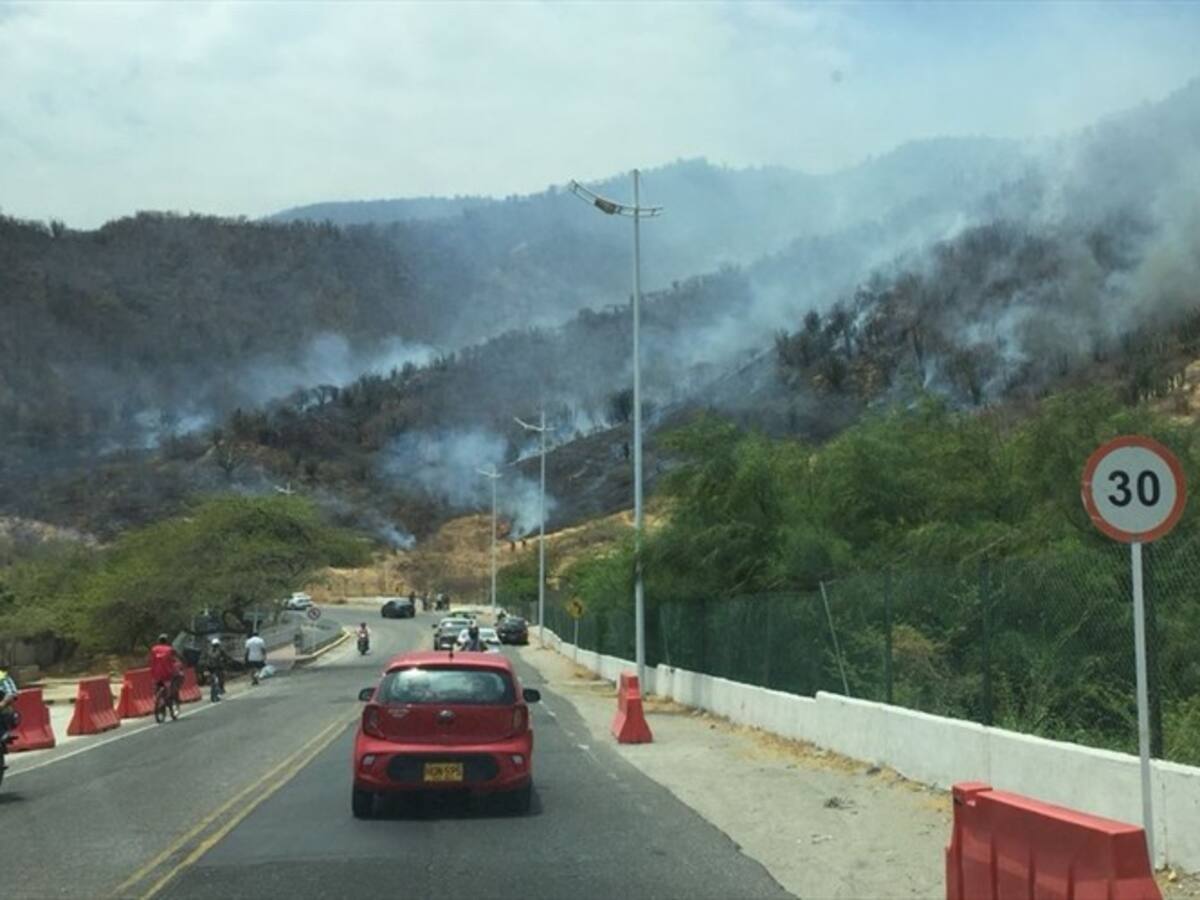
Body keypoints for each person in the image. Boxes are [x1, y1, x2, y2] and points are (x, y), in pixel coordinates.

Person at [149, 634, 183, 707]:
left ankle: (158, 699)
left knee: (157, 686)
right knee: (178, 678)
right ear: (166, 641)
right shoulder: (170, 649)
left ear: (158, 641)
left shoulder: (154, 649)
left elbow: (151, 660)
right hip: (168, 673)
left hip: (156, 673)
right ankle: (174, 697)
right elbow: (178, 656)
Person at [0, 666, 18, 740]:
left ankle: (3, 733)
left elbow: (11, 693)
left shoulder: (2, 677)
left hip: (5, 710)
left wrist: (2, 704)